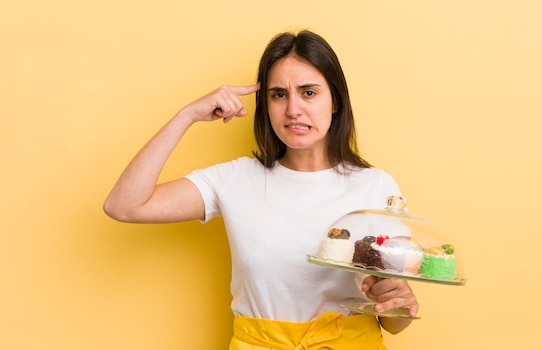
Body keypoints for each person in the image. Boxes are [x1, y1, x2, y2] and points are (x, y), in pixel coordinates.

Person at [104, 29, 418, 349]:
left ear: (335, 100)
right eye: (278, 94)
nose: (293, 109)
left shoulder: (375, 186)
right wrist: (187, 115)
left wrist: (397, 301)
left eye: (309, 93)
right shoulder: (235, 180)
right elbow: (124, 205)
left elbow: (395, 321)